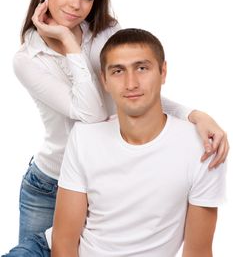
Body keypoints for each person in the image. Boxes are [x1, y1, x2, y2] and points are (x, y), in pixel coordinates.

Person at [11, 0, 228, 243]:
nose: (76, 5)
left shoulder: (104, 34)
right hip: (51, 182)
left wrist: (195, 115)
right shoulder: (28, 60)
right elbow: (93, 114)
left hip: (104, 178)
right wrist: (69, 43)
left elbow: (132, 95)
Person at [3, 28, 226, 256]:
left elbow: (198, 252)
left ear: (163, 71)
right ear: (105, 81)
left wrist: (196, 114)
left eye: (142, 68)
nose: (131, 83)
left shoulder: (203, 147)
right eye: (118, 71)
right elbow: (64, 241)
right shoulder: (84, 137)